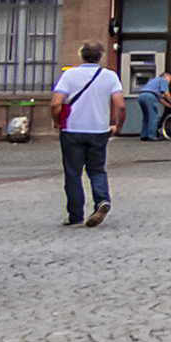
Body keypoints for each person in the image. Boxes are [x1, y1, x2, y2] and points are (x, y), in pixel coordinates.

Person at [50, 42, 124, 228]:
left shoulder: (69, 75)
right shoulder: (110, 76)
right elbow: (120, 104)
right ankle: (101, 200)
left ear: (81, 55)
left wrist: (57, 120)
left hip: (72, 130)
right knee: (97, 169)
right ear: (101, 56)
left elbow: (55, 103)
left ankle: (75, 215)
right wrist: (117, 125)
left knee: (73, 173)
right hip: (99, 129)